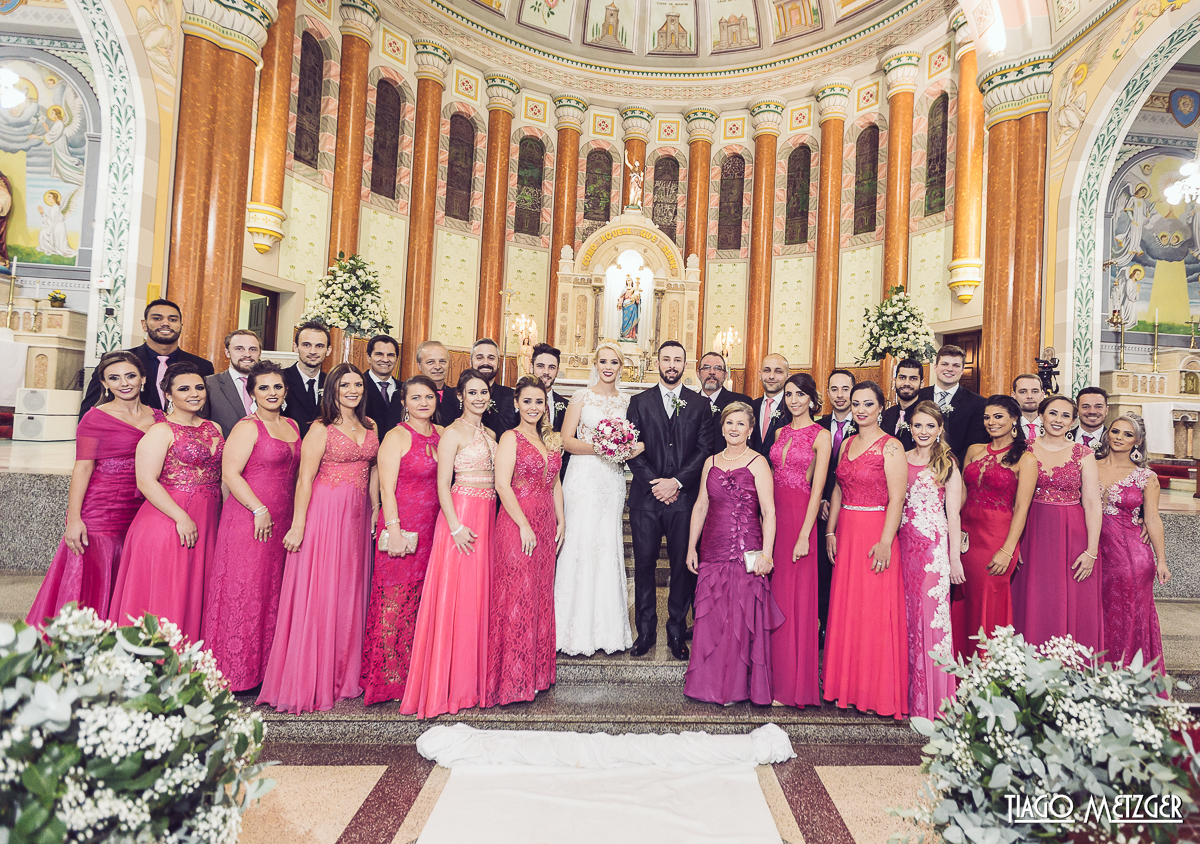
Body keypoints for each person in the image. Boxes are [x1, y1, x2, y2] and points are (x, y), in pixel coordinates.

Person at [258, 364, 380, 714]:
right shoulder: (320, 428)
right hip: (325, 513)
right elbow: (304, 479)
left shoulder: (370, 425)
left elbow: (372, 470)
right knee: (323, 589)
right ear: (333, 390)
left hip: (357, 516)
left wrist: (376, 508)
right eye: (345, 385)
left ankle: (343, 674)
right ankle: (313, 678)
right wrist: (298, 525)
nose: (353, 390)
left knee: (349, 590)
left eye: (358, 384)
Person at [27, 352, 164, 625]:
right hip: (102, 509)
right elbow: (82, 468)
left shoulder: (160, 418)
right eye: (114, 378)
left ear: (143, 378)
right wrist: (74, 519)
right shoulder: (94, 418)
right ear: (104, 383)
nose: (124, 383)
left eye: (130, 376)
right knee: (96, 571)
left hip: (143, 507)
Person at [401, 369, 498, 718]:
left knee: (479, 597)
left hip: (487, 516)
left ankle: (472, 682)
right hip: (462, 517)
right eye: (472, 392)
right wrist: (455, 527)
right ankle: (448, 686)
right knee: (457, 596)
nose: (479, 398)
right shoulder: (452, 432)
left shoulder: (490, 433)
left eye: (483, 392)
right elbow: (443, 483)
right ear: (460, 396)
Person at [201, 361, 301, 692]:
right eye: (264, 387)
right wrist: (258, 508)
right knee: (245, 591)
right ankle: (232, 674)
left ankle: (264, 672)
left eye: (277, 387)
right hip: (250, 519)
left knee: (271, 592)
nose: (272, 393)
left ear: (285, 391)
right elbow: (230, 473)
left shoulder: (292, 424)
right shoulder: (247, 427)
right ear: (252, 393)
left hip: (282, 519)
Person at [108, 362, 224, 643]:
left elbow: (222, 476)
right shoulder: (161, 431)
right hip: (168, 521)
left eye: (199, 387)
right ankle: (160, 657)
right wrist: (181, 517)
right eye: (184, 389)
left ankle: (190, 656)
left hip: (208, 517)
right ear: (169, 395)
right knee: (169, 590)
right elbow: (146, 481)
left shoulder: (214, 427)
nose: (194, 393)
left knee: (195, 589)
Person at [683, 403, 783, 705]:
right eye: (729, 423)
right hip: (712, 547)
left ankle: (737, 688)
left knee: (740, 618)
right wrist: (691, 546)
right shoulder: (711, 461)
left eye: (740, 424)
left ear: (750, 429)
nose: (734, 428)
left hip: (746, 548)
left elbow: (769, 511)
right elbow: (701, 505)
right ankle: (708, 685)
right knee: (712, 617)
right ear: (722, 427)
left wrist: (767, 554)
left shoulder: (758, 462)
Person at [821, 382, 909, 720]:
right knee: (847, 608)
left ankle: (874, 692)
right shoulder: (846, 443)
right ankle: (844, 687)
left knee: (873, 611)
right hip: (847, 531)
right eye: (856, 403)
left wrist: (886, 541)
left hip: (876, 532)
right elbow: (839, 488)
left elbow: (897, 498)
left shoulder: (892, 446)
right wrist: (831, 530)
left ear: (881, 407)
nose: (860, 409)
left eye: (868, 404)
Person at [626, 341, 715, 660]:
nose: (672, 365)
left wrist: (676, 482)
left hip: (684, 499)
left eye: (678, 359)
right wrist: (656, 483)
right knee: (644, 566)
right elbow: (630, 448)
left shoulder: (699, 404)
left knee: (682, 567)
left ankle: (676, 630)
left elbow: (705, 449)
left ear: (685, 365)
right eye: (666, 359)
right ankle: (645, 632)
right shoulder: (638, 402)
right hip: (646, 499)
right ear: (658, 364)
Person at [555, 342, 642, 656]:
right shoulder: (581, 397)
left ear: (621, 367)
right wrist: (603, 447)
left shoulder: (627, 401)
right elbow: (565, 440)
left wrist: (626, 448)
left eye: (614, 362)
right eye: (603, 361)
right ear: (596, 364)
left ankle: (607, 630)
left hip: (611, 480)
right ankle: (569, 629)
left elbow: (637, 441)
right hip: (582, 477)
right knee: (580, 541)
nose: (608, 367)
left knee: (607, 543)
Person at [361, 375, 443, 706]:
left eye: (429, 397)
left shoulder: (442, 434)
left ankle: (417, 674)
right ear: (404, 402)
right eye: (416, 397)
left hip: (433, 529)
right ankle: (390, 678)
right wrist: (393, 530)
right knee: (395, 601)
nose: (423, 403)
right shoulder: (397, 436)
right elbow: (386, 488)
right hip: (404, 527)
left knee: (422, 602)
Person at [485, 377, 565, 707]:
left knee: (540, 596)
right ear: (517, 404)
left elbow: (555, 483)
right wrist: (523, 525)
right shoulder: (510, 438)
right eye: (527, 401)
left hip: (546, 526)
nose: (534, 407)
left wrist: (562, 520)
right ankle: (512, 681)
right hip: (518, 524)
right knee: (518, 596)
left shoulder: (550, 439)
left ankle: (536, 675)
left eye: (539, 402)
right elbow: (502, 485)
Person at [1012, 396, 1103, 651]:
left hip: (1071, 536)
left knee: (1068, 598)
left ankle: (1068, 663)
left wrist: (1091, 551)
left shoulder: (1084, 454)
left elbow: (1092, 504)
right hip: (1030, 531)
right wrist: (1012, 543)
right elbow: (1012, 499)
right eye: (1053, 413)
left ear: (1073, 421)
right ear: (1041, 416)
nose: (1058, 420)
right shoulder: (1023, 449)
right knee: (1032, 595)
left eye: (1065, 416)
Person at [951, 395, 1037, 659]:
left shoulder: (1026, 459)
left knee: (989, 603)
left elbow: (1022, 508)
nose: (991, 422)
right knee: (963, 601)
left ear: (1014, 419)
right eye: (987, 417)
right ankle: (959, 669)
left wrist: (1008, 550)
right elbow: (961, 496)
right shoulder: (974, 450)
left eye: (998, 416)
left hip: (997, 539)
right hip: (967, 537)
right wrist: (950, 534)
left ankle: (989, 669)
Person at [766, 373, 829, 708]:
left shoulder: (822, 435)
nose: (793, 400)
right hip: (775, 518)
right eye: (789, 394)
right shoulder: (780, 433)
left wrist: (805, 535)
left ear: (812, 399)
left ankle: (791, 686)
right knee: (774, 595)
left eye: (800, 394)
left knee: (795, 600)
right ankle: (770, 679)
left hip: (800, 520)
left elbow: (817, 490)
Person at [898, 401, 964, 721]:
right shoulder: (901, 457)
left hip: (932, 553)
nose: (923, 431)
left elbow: (954, 515)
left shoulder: (947, 463)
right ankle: (906, 695)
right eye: (918, 425)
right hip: (902, 546)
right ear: (909, 427)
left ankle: (933, 701)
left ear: (939, 429)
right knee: (906, 619)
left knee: (929, 621)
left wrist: (954, 559)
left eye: (929, 426)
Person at [1097, 414, 1170, 671]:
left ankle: (1127, 677)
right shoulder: (1088, 466)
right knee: (1097, 615)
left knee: (1128, 617)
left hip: (1131, 559)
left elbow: (1152, 519)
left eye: (1128, 434)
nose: (1119, 437)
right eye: (1115, 431)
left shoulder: (1146, 477)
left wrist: (1161, 560)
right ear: (1107, 434)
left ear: (1137, 441)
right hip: (1094, 553)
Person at [79, 299, 214, 417]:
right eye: (157, 318)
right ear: (144, 325)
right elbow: (89, 411)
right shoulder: (117, 361)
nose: (165, 323)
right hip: (132, 435)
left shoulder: (202, 366)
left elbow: (206, 412)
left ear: (181, 327)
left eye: (173, 319)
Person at [817, 369, 856, 643]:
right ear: (828, 392)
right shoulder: (817, 426)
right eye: (834, 389)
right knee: (822, 569)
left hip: (854, 509)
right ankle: (823, 624)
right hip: (820, 510)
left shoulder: (866, 426)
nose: (840, 395)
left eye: (845, 389)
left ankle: (846, 626)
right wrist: (820, 498)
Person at [916, 344, 988, 463]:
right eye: (945, 364)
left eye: (956, 365)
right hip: (918, 463)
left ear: (962, 370)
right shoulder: (918, 397)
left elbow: (975, 444)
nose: (950, 369)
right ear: (935, 367)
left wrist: (951, 466)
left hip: (956, 466)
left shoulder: (977, 403)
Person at [202, 330, 263, 437]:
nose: (247, 354)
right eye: (239, 349)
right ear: (227, 353)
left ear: (260, 353)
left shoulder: (272, 385)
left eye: (253, 349)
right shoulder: (209, 384)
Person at [282, 321, 331, 437]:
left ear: (328, 350)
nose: (313, 351)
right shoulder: (280, 379)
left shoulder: (331, 382)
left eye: (319, 346)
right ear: (295, 347)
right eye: (306, 345)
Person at [697, 351, 751, 453]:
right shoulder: (689, 403)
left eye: (718, 368)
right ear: (698, 374)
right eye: (706, 367)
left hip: (730, 460)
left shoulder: (742, 402)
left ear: (726, 375)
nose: (712, 372)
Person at [532, 343, 570, 478]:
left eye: (551, 367)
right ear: (531, 367)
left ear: (557, 371)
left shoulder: (566, 405)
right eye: (540, 366)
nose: (546, 372)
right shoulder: (516, 402)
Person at [470, 338, 519, 438]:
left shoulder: (512, 395)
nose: (485, 362)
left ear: (499, 363)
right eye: (479, 358)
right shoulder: (456, 396)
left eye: (491, 358)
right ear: (471, 362)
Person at [750, 353, 791, 459]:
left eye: (778, 371)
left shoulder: (793, 408)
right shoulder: (751, 406)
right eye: (767, 370)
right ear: (760, 374)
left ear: (788, 376)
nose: (771, 376)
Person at [363, 335, 402, 437]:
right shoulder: (358, 386)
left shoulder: (405, 389)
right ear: (368, 357)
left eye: (390, 355)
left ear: (397, 359)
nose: (385, 359)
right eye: (379, 354)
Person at [880, 358, 922, 451]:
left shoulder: (927, 415)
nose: (907, 383)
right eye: (902, 378)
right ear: (894, 381)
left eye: (913, 379)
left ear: (921, 383)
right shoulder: (886, 414)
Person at [415, 340, 458, 426]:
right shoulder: (406, 395)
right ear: (419, 365)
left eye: (442, 361)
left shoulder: (458, 396)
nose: (438, 367)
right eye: (430, 362)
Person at [1073, 387, 1110, 452]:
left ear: (1106, 410)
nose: (1092, 411)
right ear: (1077, 410)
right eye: (1086, 407)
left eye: (1098, 407)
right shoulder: (1063, 438)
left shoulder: (1113, 441)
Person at [1012, 373, 1044, 441]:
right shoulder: (1007, 426)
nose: (1029, 396)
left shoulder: (1052, 425)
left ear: (1042, 394)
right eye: (1023, 392)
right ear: (1014, 395)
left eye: (1035, 392)